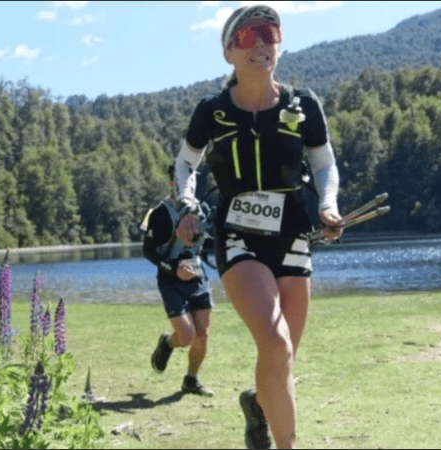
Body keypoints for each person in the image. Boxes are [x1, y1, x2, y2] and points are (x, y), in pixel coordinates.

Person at [172, 5, 344, 448]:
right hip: (238, 238)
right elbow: (185, 164)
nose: (262, 43)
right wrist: (187, 202)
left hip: (293, 237)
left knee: (281, 357)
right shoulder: (212, 111)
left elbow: (323, 163)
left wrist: (327, 205)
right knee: (276, 344)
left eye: (270, 33)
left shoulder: (302, 104)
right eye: (249, 36)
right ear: (230, 52)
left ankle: (257, 402)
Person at [141, 164, 215, 397]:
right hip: (170, 280)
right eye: (179, 180)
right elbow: (148, 251)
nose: (185, 186)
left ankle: (191, 380)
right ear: (172, 183)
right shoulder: (159, 213)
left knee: (202, 333)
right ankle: (168, 343)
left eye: (190, 180)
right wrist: (173, 269)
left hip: (198, 278)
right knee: (186, 336)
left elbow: (207, 243)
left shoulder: (201, 211)